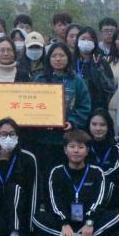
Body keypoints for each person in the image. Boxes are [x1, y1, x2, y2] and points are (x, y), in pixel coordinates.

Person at [33, 129, 119, 236]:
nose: (76, 151)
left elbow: (98, 201)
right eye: (72, 146)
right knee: (37, 217)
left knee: (117, 216)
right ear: (65, 150)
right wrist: (64, 223)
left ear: (87, 150)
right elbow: (54, 202)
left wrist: (89, 223)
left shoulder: (96, 172)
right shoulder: (57, 172)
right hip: (64, 223)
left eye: (80, 147)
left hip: (89, 222)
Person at [33, 44, 92, 174]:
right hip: (43, 139)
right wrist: (40, 120)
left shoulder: (77, 81)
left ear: (68, 58)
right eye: (54, 56)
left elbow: (84, 106)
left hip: (67, 139)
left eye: (62, 55)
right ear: (48, 58)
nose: (58, 59)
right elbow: (31, 105)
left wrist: (72, 122)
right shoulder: (39, 79)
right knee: (45, 173)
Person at [87, 109, 119, 206]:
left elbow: (116, 170)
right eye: (94, 124)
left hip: (110, 191)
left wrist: (97, 176)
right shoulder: (84, 145)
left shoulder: (116, 147)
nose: (98, 128)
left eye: (102, 125)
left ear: (108, 126)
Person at [73, 27, 115, 111]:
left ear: (95, 42)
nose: (86, 42)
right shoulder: (70, 62)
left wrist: (98, 69)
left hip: (97, 108)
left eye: (90, 39)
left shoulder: (102, 63)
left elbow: (110, 88)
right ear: (77, 41)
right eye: (83, 39)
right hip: (74, 107)